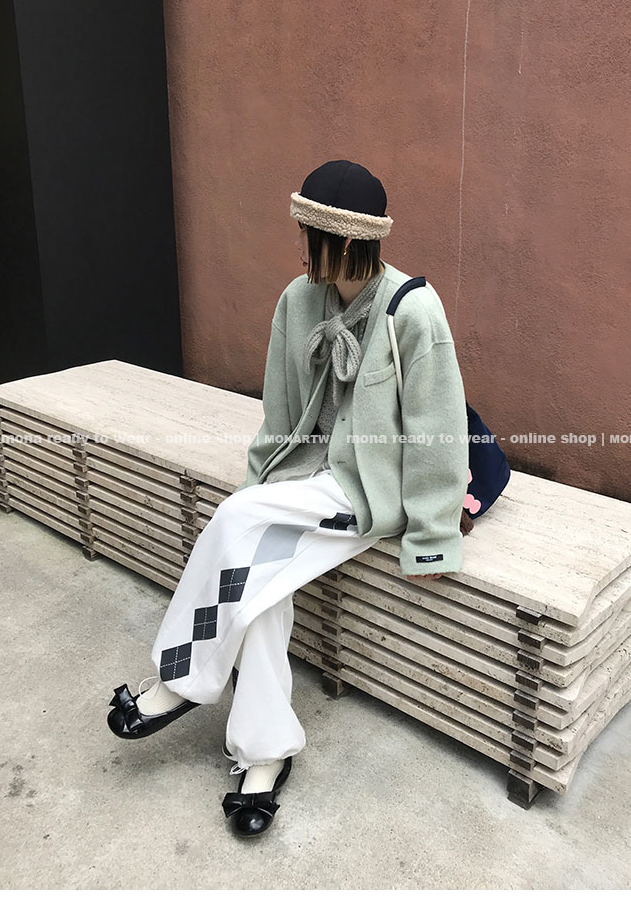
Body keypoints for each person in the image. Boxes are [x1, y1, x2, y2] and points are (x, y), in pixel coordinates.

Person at [106, 159, 469, 839]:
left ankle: (179, 681)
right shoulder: (297, 301)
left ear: (345, 240)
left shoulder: (413, 310)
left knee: (239, 523)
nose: (298, 244)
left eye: (308, 232)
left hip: (365, 488)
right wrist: (260, 486)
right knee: (262, 585)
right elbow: (278, 412)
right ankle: (264, 754)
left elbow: (437, 429)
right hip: (301, 477)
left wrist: (431, 537)